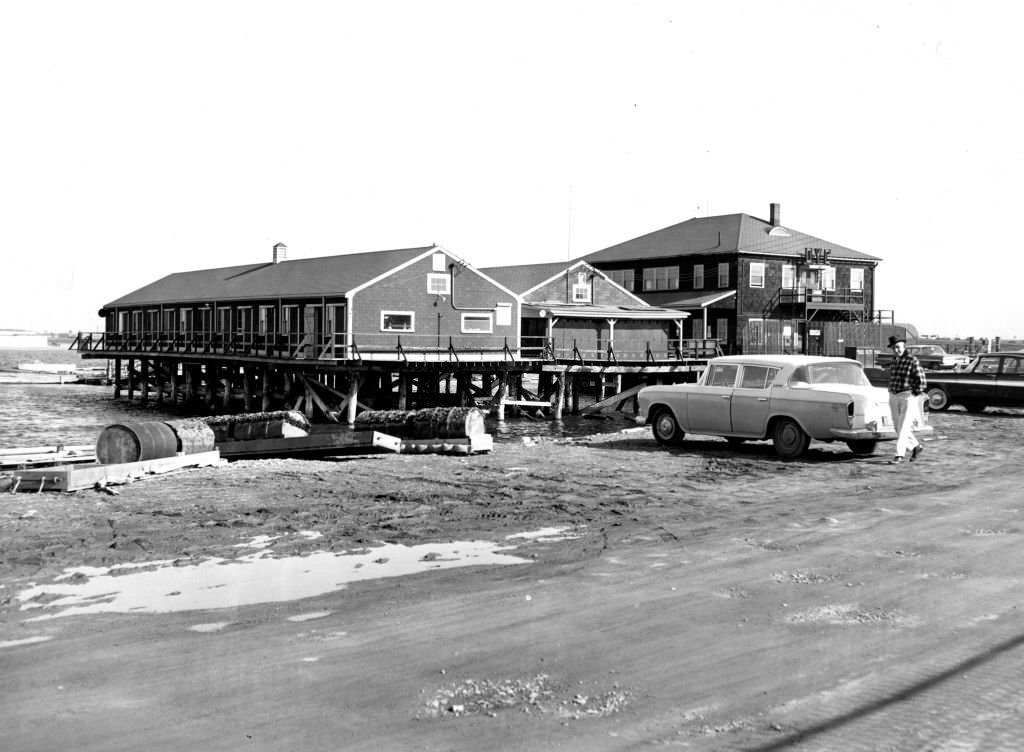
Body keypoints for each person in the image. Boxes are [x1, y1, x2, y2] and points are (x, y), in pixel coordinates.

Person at [886, 335, 927, 464]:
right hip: (894, 395)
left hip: (907, 396)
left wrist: (913, 393)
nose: (896, 350)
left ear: (904, 346)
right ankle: (915, 446)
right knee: (897, 426)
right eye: (893, 348)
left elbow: (922, 381)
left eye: (898, 347)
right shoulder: (894, 360)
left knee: (903, 426)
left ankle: (899, 455)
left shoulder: (912, 360)